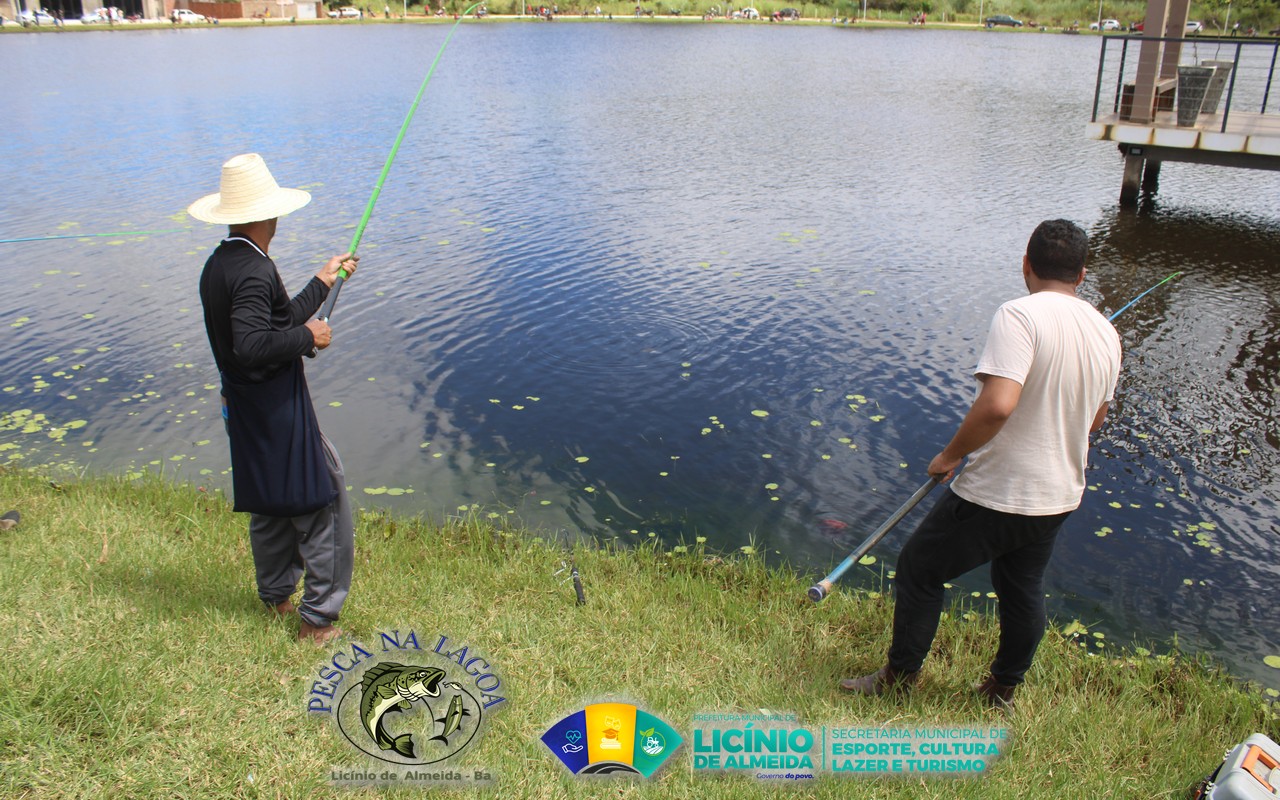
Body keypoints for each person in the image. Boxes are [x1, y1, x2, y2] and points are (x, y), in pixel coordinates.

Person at [841, 220, 1122, 709]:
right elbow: (1094, 422)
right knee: (1021, 587)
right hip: (1059, 494)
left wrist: (950, 455)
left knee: (919, 569)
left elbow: (997, 405)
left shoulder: (1019, 315)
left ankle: (898, 680)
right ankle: (1001, 690)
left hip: (1003, 489)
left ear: (1026, 264)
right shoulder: (1107, 332)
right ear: (1081, 274)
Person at [189, 153, 358, 646]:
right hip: (276, 408)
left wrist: (323, 281)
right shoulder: (254, 270)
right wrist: (309, 337)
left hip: (244, 406)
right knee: (322, 497)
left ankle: (276, 597)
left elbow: (273, 320)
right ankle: (317, 621)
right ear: (270, 214)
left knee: (270, 501)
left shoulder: (222, 263)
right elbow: (253, 344)